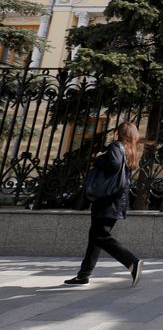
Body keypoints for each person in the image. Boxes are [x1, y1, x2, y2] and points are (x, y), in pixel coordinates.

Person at [65, 121, 144, 287]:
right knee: (95, 237)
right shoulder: (130, 151)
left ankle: (132, 262)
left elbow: (113, 164)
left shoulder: (116, 146)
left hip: (106, 201)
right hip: (116, 201)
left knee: (100, 236)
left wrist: (99, 157)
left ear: (118, 133)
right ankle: (83, 275)